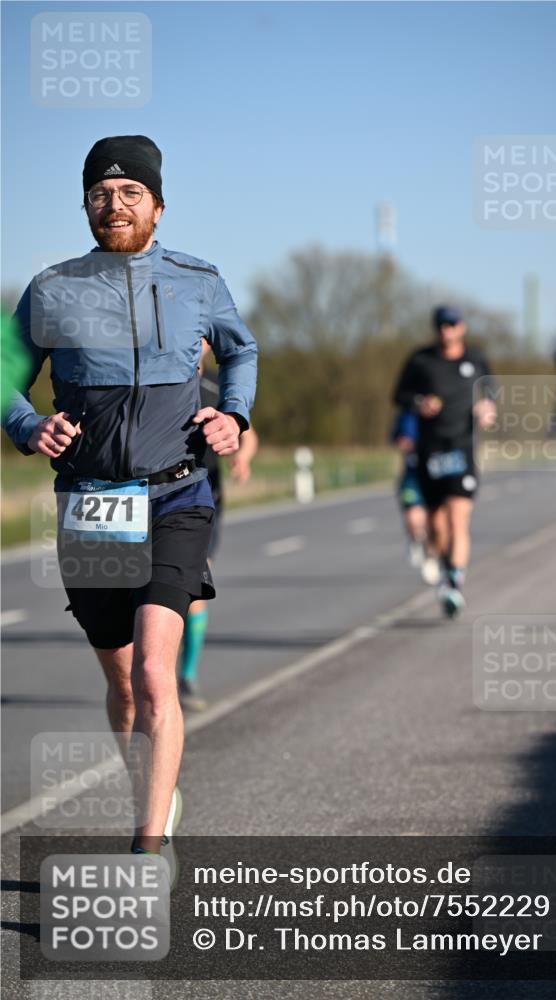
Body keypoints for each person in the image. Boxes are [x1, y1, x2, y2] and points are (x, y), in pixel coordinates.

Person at [2, 135, 257, 872]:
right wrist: (27, 422)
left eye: (128, 193)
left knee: (153, 673)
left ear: (157, 205)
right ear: (86, 204)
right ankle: (153, 789)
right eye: (99, 194)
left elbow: (239, 350)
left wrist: (232, 415)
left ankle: (149, 848)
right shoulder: (52, 288)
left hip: (177, 494)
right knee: (119, 682)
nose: (113, 205)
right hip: (90, 508)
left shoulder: (197, 282)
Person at [392, 305, 496, 617]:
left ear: (461, 327)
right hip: (430, 451)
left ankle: (453, 584)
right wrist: (419, 402)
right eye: (440, 325)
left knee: (458, 518)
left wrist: (487, 407)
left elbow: (490, 388)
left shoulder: (475, 359)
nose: (445, 330)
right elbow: (398, 395)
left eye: (451, 324)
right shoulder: (421, 360)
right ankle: (440, 564)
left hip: (462, 448)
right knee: (437, 527)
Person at [178, 340, 259, 711]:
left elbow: (248, 431)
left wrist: (242, 456)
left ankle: (188, 674)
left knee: (195, 584)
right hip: (152, 496)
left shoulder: (218, 384)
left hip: (204, 497)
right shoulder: (153, 379)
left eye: (203, 337)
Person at [390, 409, 440, 585]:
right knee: (413, 517)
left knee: (435, 524)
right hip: (413, 476)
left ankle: (430, 558)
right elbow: (398, 438)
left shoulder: (446, 409)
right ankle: (415, 539)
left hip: (437, 474)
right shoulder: (408, 413)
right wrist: (405, 442)